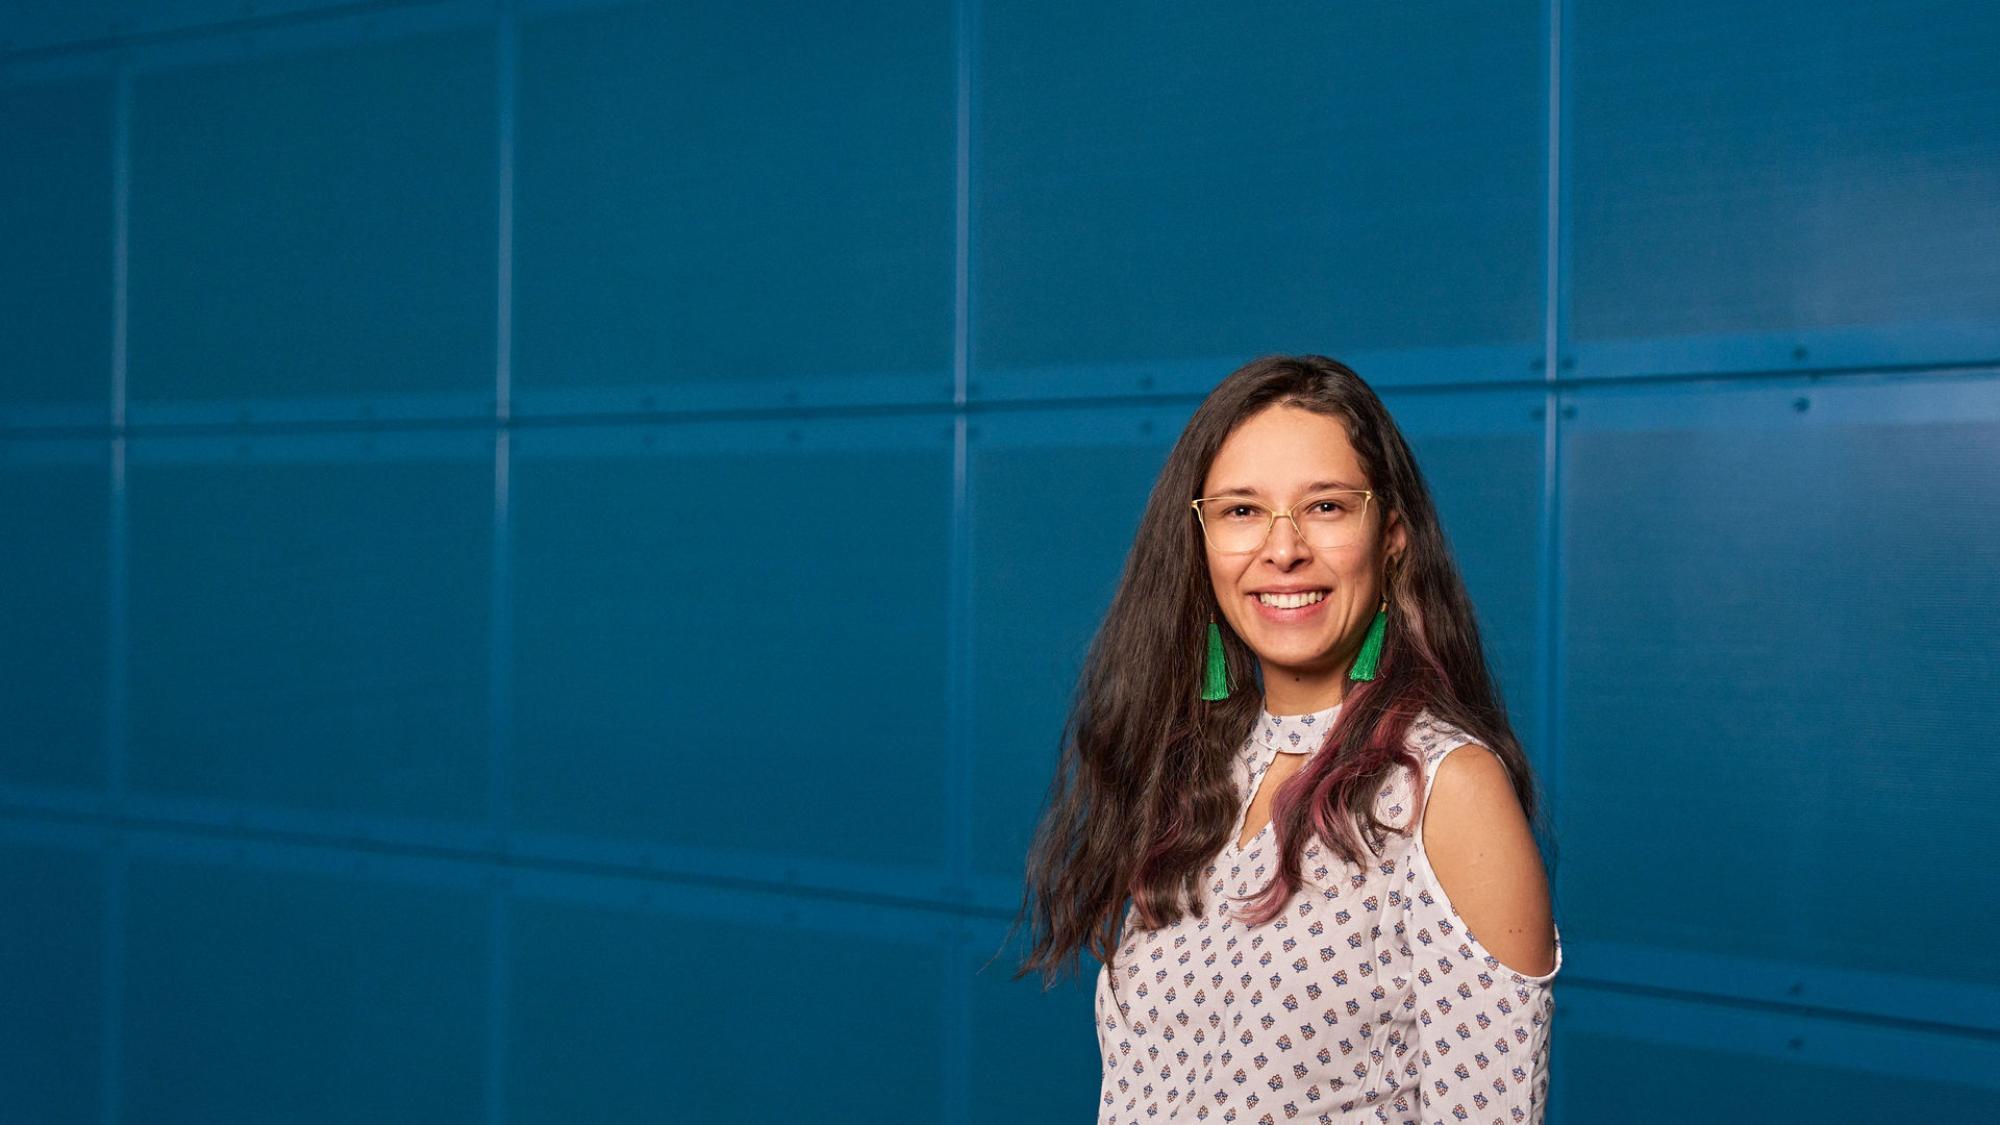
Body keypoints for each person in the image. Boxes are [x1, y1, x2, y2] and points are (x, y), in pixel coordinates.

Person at [1014, 354, 1561, 1124]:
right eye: (1242, 510)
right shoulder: (1196, 770)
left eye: (1327, 507)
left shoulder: (1448, 788)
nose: (1283, 549)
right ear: (1200, 542)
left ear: (1393, 535)